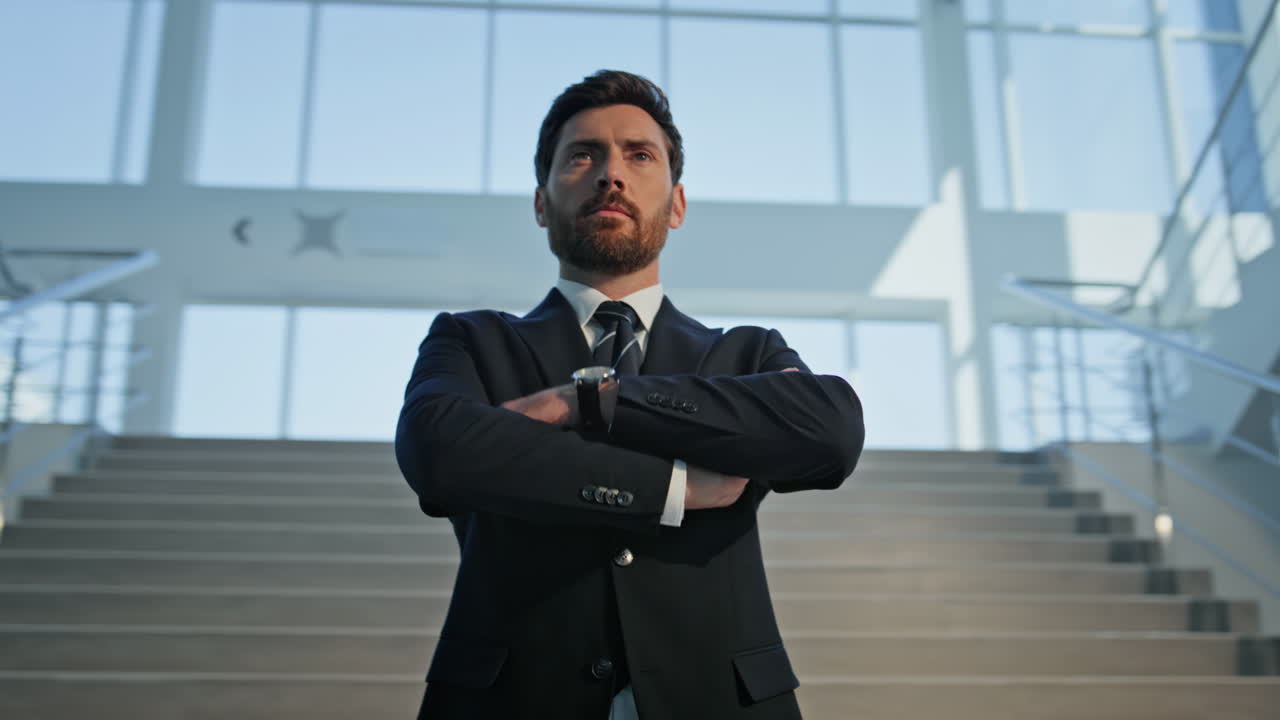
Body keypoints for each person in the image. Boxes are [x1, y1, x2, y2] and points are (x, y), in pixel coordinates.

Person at [395, 69, 864, 720]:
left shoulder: (746, 353)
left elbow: (830, 431)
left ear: (676, 203)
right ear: (540, 202)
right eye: (582, 154)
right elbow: (440, 451)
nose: (609, 174)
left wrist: (595, 401)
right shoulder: (472, 341)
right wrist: (671, 490)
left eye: (639, 156)